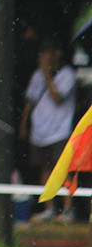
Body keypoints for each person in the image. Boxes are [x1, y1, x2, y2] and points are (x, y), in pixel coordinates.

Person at [19, 37, 78, 223]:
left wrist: (47, 73)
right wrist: (24, 124)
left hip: (59, 131)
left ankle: (68, 209)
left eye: (46, 54)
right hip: (39, 131)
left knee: (63, 169)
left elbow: (57, 97)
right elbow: (30, 102)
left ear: (55, 56)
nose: (42, 58)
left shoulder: (67, 74)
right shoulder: (37, 75)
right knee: (44, 169)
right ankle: (49, 208)